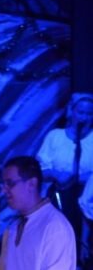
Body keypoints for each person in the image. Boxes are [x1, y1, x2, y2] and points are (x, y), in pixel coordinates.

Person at [39, 92, 92, 249]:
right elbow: (41, 169)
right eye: (81, 112)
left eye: (89, 114)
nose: (84, 117)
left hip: (88, 198)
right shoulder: (55, 136)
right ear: (72, 111)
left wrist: (79, 178)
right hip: (59, 195)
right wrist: (55, 173)